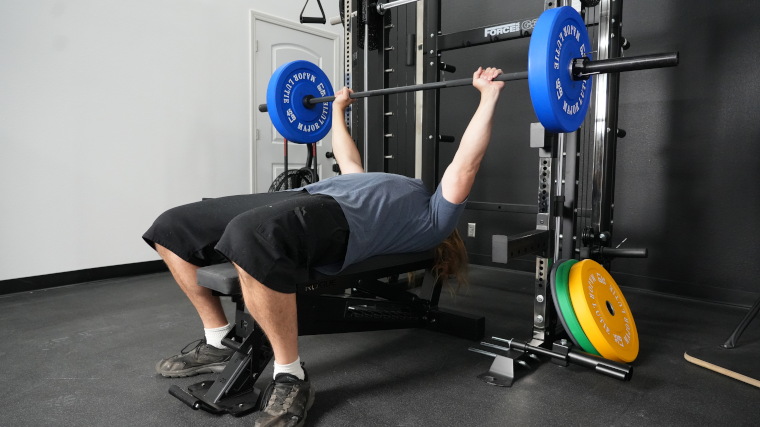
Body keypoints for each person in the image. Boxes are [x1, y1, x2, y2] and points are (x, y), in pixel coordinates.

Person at [142, 66, 505, 426]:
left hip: (339, 219)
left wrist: (488, 97)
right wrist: (337, 111)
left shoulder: (434, 222)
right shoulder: (383, 184)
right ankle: (218, 340)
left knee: (252, 236)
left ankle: (291, 376)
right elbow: (348, 160)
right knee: (173, 226)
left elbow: (464, 166)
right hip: (306, 195)